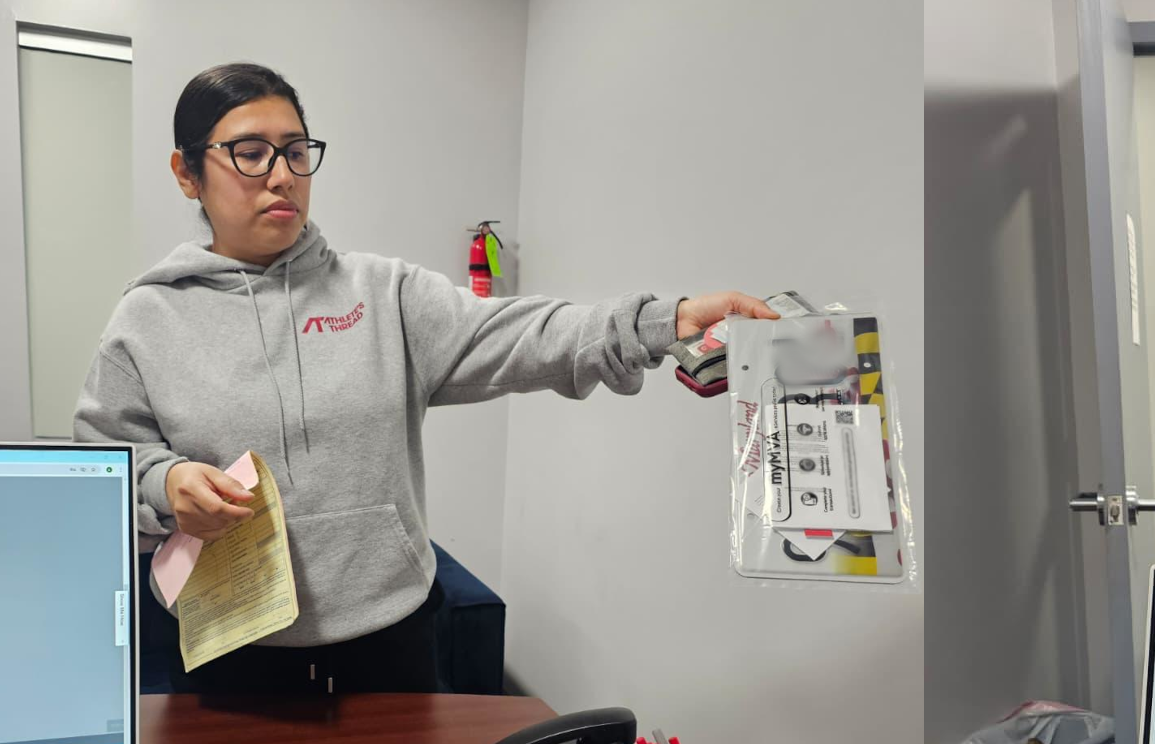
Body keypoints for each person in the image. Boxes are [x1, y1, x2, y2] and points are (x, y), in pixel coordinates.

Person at [73, 63, 779, 693]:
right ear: (187, 172)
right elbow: (107, 458)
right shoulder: (148, 317)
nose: (282, 175)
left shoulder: (385, 293)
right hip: (228, 651)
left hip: (390, 642)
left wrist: (665, 320)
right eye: (250, 153)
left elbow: (526, 332)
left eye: (296, 152)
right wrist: (164, 483)